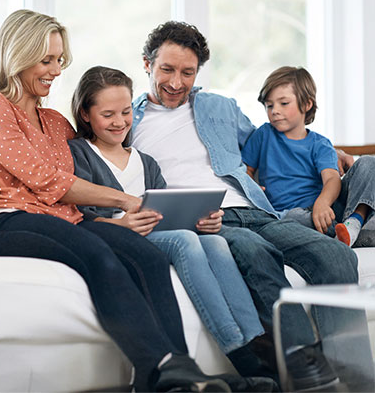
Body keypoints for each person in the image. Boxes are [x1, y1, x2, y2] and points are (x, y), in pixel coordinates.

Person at [0, 9, 246, 393]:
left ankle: (181, 377)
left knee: (146, 255)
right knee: (97, 255)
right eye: (46, 60)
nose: (55, 70)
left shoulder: (56, 123)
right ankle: (162, 365)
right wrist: (126, 200)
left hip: (63, 223)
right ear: (18, 54)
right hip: (7, 221)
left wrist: (125, 219)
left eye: (59, 60)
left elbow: (79, 189)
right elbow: (47, 180)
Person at [130, 20, 375, 392]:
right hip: (208, 220)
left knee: (336, 255)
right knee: (256, 254)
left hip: (257, 209)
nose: (177, 82)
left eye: (188, 72)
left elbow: (269, 139)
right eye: (167, 69)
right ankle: (306, 372)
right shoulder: (126, 121)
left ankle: (355, 378)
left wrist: (332, 151)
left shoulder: (218, 106)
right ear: (147, 63)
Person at [68, 65, 278, 387]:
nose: (120, 122)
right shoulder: (80, 153)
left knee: (217, 241)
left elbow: (168, 211)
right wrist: (122, 223)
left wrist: (203, 220)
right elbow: (80, 213)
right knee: (184, 241)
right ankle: (239, 351)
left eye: (126, 112)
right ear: (85, 114)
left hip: (161, 231)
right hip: (124, 237)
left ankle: (255, 341)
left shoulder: (146, 161)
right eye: (108, 114)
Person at [241, 66, 375, 247]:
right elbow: (245, 170)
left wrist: (322, 203)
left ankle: (354, 222)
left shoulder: (320, 144)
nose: (274, 110)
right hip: (294, 215)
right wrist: (252, 187)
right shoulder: (263, 135)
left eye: (284, 103)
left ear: (306, 104)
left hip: (328, 208)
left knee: (368, 162)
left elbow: (332, 179)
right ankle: (352, 234)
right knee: (294, 218)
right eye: (269, 105)